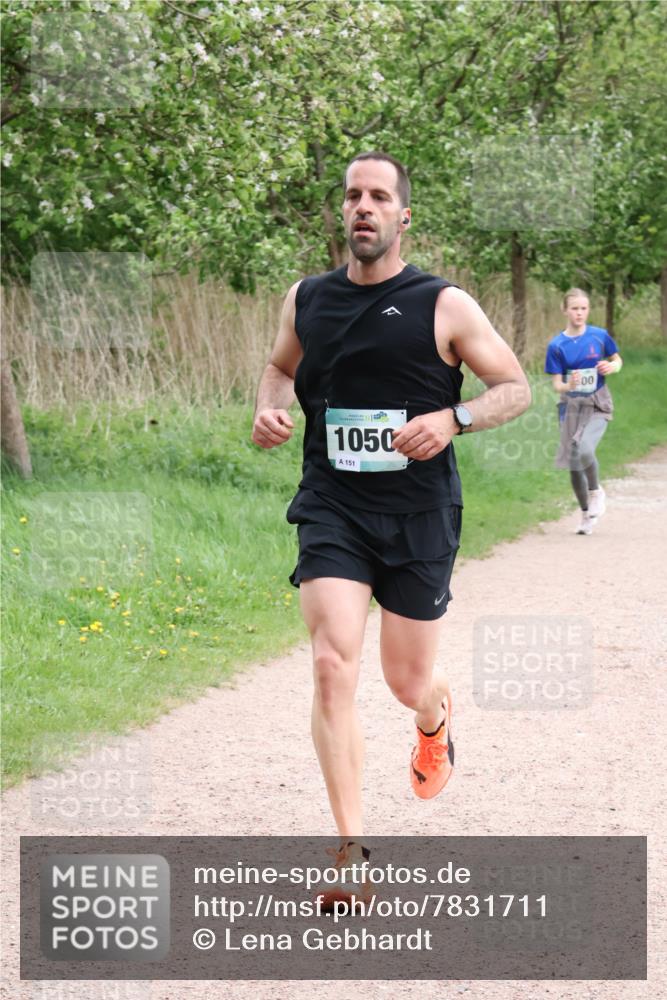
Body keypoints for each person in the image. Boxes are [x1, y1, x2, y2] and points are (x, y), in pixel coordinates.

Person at [252, 151, 531, 905]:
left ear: (403, 215)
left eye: (378, 196)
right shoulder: (307, 299)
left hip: (418, 513)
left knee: (405, 681)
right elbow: (280, 368)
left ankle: (433, 715)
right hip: (333, 504)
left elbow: (513, 388)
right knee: (330, 664)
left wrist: (453, 418)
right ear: (342, 211)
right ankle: (351, 856)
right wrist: (269, 407)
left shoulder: (445, 304)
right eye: (353, 196)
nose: (363, 207)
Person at [545, 289, 623, 535]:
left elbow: (617, 360)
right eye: (574, 308)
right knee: (574, 464)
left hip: (598, 402)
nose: (579, 313)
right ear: (565, 310)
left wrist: (611, 366)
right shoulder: (557, 345)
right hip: (571, 406)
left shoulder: (599, 336)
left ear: (588, 310)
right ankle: (585, 513)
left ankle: (596, 491)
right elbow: (557, 385)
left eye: (583, 308)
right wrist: (569, 385)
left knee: (585, 449)